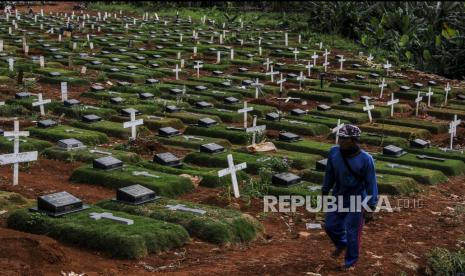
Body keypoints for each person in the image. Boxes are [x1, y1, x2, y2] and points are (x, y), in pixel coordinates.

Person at [322, 124, 378, 271]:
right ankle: (342, 243)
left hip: (357, 199)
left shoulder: (366, 160)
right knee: (330, 226)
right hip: (338, 196)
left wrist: (371, 206)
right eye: (339, 137)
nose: (340, 141)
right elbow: (330, 173)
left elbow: (371, 183)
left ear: (354, 140)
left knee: (353, 232)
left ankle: (350, 262)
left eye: (344, 139)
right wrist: (325, 190)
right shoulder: (334, 153)